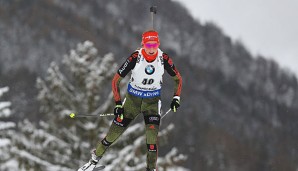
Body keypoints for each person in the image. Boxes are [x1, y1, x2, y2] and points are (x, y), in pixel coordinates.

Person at [78, 30, 182, 171]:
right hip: (132, 102)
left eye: (154, 45)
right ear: (143, 44)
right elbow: (116, 80)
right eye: (148, 45)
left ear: (158, 44)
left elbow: (178, 79)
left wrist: (176, 97)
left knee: (151, 141)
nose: (151, 49)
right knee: (113, 134)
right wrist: (118, 104)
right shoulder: (135, 57)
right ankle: (93, 161)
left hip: (151, 104)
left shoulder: (163, 58)